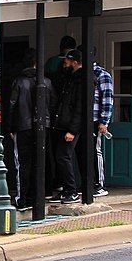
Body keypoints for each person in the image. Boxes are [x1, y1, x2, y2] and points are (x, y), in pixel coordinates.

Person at [7, 49, 52, 210]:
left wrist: (11, 127)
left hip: (23, 126)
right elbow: (51, 104)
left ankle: (22, 198)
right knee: (40, 161)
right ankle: (38, 196)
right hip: (42, 126)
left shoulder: (19, 81)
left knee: (22, 164)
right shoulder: (46, 81)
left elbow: (12, 105)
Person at [51, 50, 86, 204]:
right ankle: (67, 189)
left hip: (70, 125)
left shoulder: (81, 80)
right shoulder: (70, 77)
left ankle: (71, 190)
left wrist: (72, 130)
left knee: (63, 156)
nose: (65, 62)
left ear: (75, 61)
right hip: (64, 123)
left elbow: (80, 107)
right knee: (61, 157)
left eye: (67, 60)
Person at [92, 57, 115, 198]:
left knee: (96, 151)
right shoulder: (80, 74)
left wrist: (104, 121)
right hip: (82, 121)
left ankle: (99, 184)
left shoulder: (102, 75)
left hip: (95, 120)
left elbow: (107, 100)